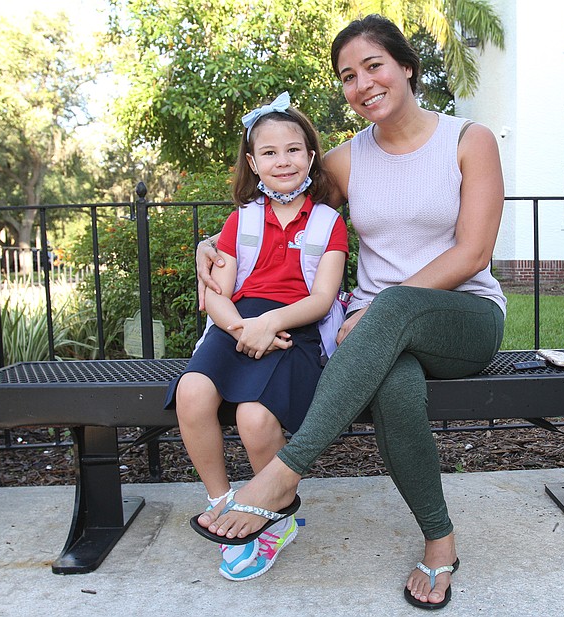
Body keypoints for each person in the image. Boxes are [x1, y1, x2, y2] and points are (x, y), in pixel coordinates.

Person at [194, 14, 506, 609]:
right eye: (347, 76)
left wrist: (389, 304)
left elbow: (473, 253)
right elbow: (280, 211)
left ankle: (283, 473)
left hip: (460, 318)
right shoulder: (342, 161)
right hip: (375, 335)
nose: (361, 84)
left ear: (406, 67)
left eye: (373, 66)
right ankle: (440, 541)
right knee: (394, 388)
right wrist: (214, 243)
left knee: (390, 309)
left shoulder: (469, 140)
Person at [166, 92, 348, 582]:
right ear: (253, 162)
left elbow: (323, 297)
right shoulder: (241, 220)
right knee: (192, 390)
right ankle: (224, 500)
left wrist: (272, 325)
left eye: (293, 150)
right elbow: (216, 294)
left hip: (298, 329)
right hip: (237, 324)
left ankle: (274, 516)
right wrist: (243, 327)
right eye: (268, 153)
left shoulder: (328, 223)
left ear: (311, 155)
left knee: (254, 415)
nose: (282, 161)